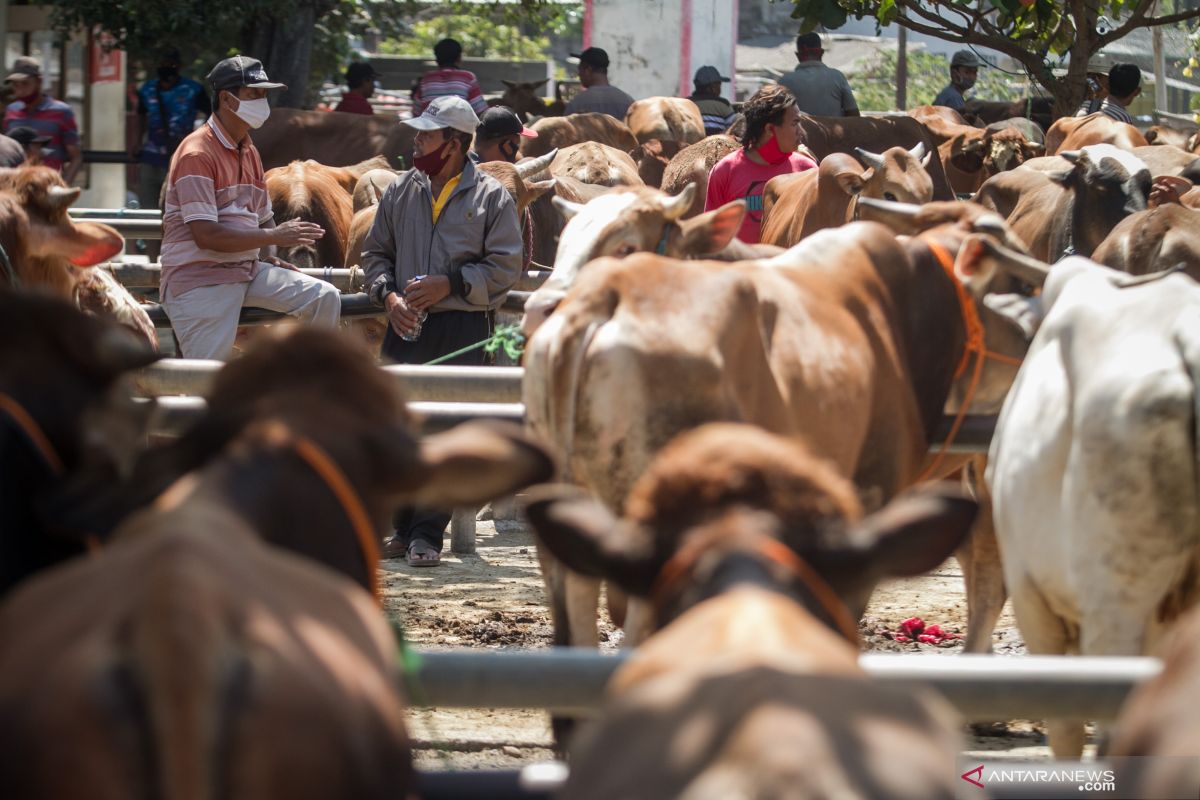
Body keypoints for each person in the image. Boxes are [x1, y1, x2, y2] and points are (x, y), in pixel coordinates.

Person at [362, 95, 522, 567]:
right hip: (403, 324)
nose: (417, 141)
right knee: (400, 428)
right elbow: (374, 256)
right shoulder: (400, 191)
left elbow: (505, 267)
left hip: (461, 325)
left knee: (447, 431)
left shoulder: (491, 196)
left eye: (427, 135)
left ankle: (426, 535)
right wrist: (388, 298)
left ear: (453, 143)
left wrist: (449, 284)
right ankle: (403, 529)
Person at [159, 55, 341, 361]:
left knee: (324, 297)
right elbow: (206, 236)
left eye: (264, 94)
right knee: (202, 382)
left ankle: (306, 387)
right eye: (253, 93)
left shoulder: (248, 149)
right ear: (227, 100)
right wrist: (273, 239)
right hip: (201, 279)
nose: (262, 101)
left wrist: (271, 257)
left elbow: (262, 216)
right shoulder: (196, 153)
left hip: (246, 270)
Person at [704, 84, 817, 245]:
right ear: (770, 129)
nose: (801, 131)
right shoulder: (725, 171)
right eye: (794, 123)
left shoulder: (808, 171)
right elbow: (711, 236)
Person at [135, 48, 211, 210]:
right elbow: (140, 116)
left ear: (179, 66)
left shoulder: (193, 90)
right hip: (151, 156)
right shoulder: (147, 90)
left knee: (175, 207)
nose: (166, 67)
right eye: (163, 64)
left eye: (171, 64)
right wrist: (136, 142)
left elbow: (211, 114)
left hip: (181, 157)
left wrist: (202, 141)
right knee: (147, 205)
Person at [2, 56, 82, 183]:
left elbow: (76, 157)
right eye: (16, 85)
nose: (20, 90)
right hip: (17, 187)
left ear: (39, 82)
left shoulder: (62, 111)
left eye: (25, 83)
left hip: (48, 185)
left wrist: (63, 185)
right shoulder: (11, 111)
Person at [777, 32, 859, 118]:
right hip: (832, 131)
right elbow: (853, 114)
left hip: (798, 131)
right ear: (822, 52)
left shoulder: (784, 81)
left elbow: (776, 117)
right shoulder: (837, 77)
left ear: (797, 55)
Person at [412, 39, 488, 116]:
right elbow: (481, 111)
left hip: (430, 126)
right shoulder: (467, 78)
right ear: (459, 58)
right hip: (458, 126)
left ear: (437, 59)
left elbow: (416, 112)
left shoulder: (426, 79)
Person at [564, 47, 634, 119]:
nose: (579, 74)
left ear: (588, 70)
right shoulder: (628, 101)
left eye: (580, 69)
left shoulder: (577, 104)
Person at [471, 105, 537, 164]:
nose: (518, 153)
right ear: (507, 147)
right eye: (517, 145)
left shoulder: (466, 167)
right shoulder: (480, 176)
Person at [689, 65, 738, 136]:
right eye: (719, 85)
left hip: (689, 146)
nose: (720, 89)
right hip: (717, 145)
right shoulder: (723, 105)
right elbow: (733, 128)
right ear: (712, 87)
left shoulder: (686, 103)